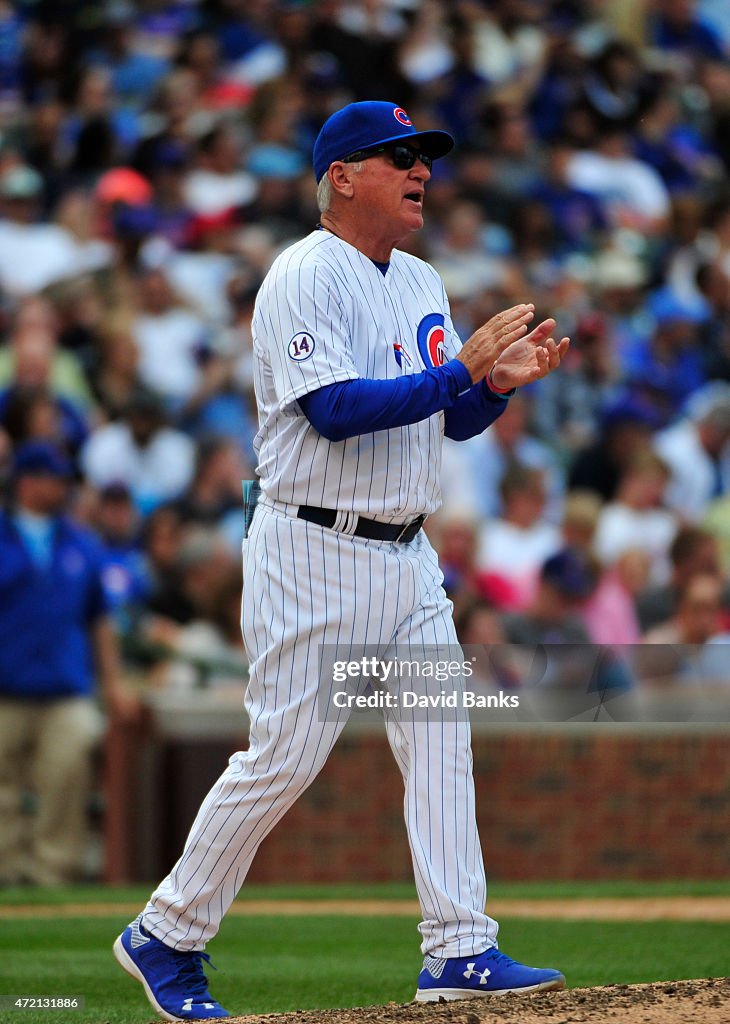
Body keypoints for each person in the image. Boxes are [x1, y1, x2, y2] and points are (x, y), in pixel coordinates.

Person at [114, 100, 570, 1020]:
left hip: (407, 553)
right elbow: (335, 411)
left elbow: (448, 415)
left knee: (442, 741)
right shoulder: (299, 275)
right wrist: (459, 376)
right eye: (398, 156)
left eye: (425, 158)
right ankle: (165, 933)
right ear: (343, 176)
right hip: (313, 549)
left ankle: (458, 949)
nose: (421, 171)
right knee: (284, 757)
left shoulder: (422, 279)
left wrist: (493, 389)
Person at [0, 441, 131, 885]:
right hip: (6, 688)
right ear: (27, 482)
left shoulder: (81, 543)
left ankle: (52, 877)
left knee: (66, 786)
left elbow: (100, 620)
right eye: (54, 479)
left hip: (65, 689)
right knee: (2, 793)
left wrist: (112, 684)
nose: (62, 488)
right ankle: (5, 874)